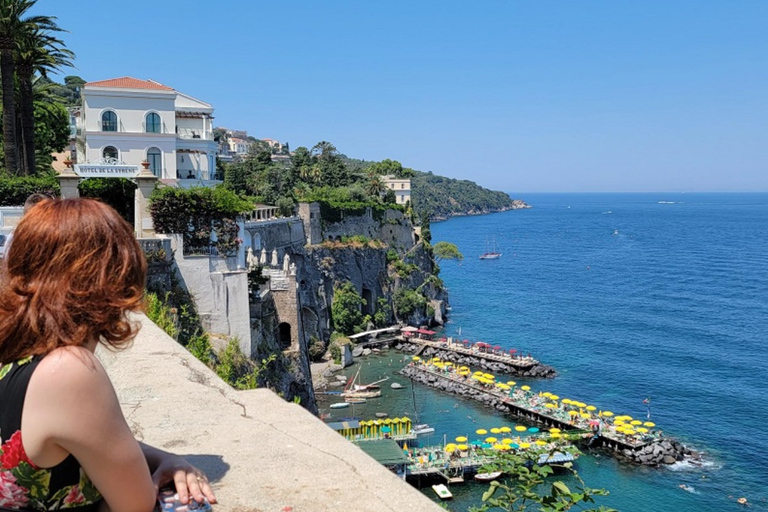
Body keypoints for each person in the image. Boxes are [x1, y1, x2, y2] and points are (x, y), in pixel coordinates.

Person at [0, 198, 217, 511]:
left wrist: (164, 457)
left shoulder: (18, 354)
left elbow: (87, 440)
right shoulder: (68, 370)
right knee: (189, 505)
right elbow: (136, 504)